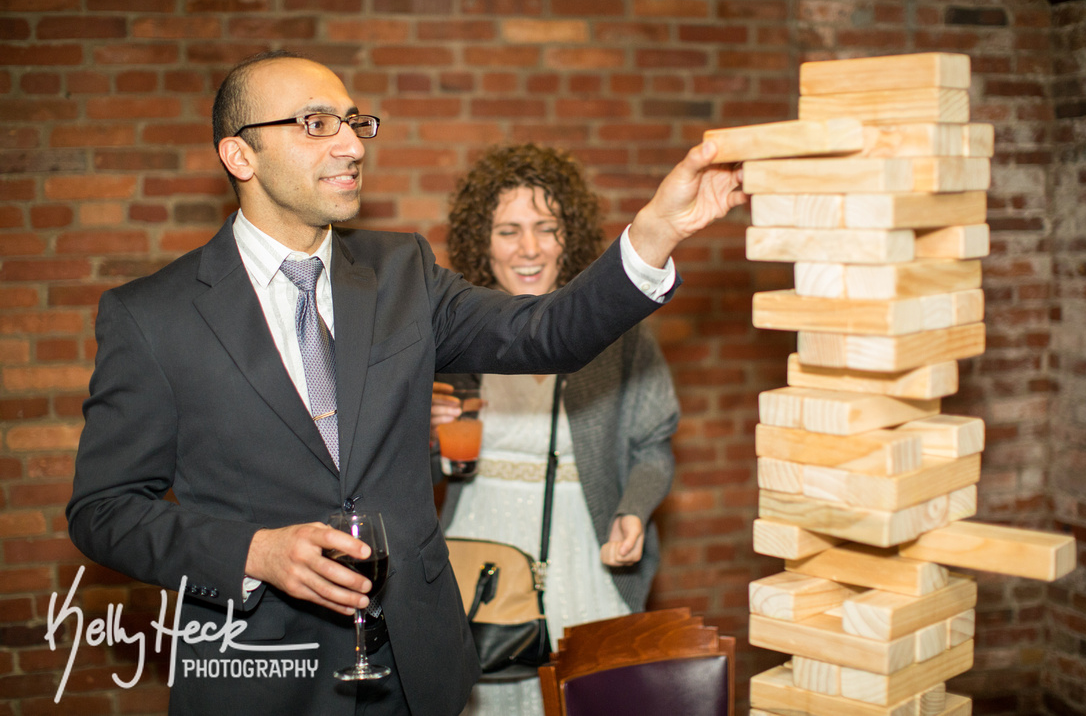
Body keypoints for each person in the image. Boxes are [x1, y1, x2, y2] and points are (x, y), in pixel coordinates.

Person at [65, 50, 745, 716]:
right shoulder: (152, 316)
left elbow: (547, 332)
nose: (351, 145)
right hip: (261, 670)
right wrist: (255, 551)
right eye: (315, 123)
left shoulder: (403, 272)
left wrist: (656, 230)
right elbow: (105, 509)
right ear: (239, 155)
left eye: (355, 122)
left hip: (417, 669)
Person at [432, 144, 680, 715]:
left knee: (593, 696)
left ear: (570, 237)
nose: (529, 249)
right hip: (478, 553)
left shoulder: (616, 329)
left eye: (547, 228)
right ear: (480, 241)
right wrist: (426, 437)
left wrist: (634, 509)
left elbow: (652, 444)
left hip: (587, 550)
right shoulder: (453, 337)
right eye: (508, 230)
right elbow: (400, 468)